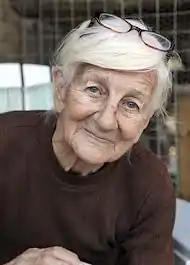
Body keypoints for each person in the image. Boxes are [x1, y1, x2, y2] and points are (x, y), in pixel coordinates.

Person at [0, 13, 179, 265]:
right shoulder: (4, 142)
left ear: (145, 121)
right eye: (94, 90)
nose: (106, 121)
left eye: (130, 104)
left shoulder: (149, 184)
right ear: (61, 88)